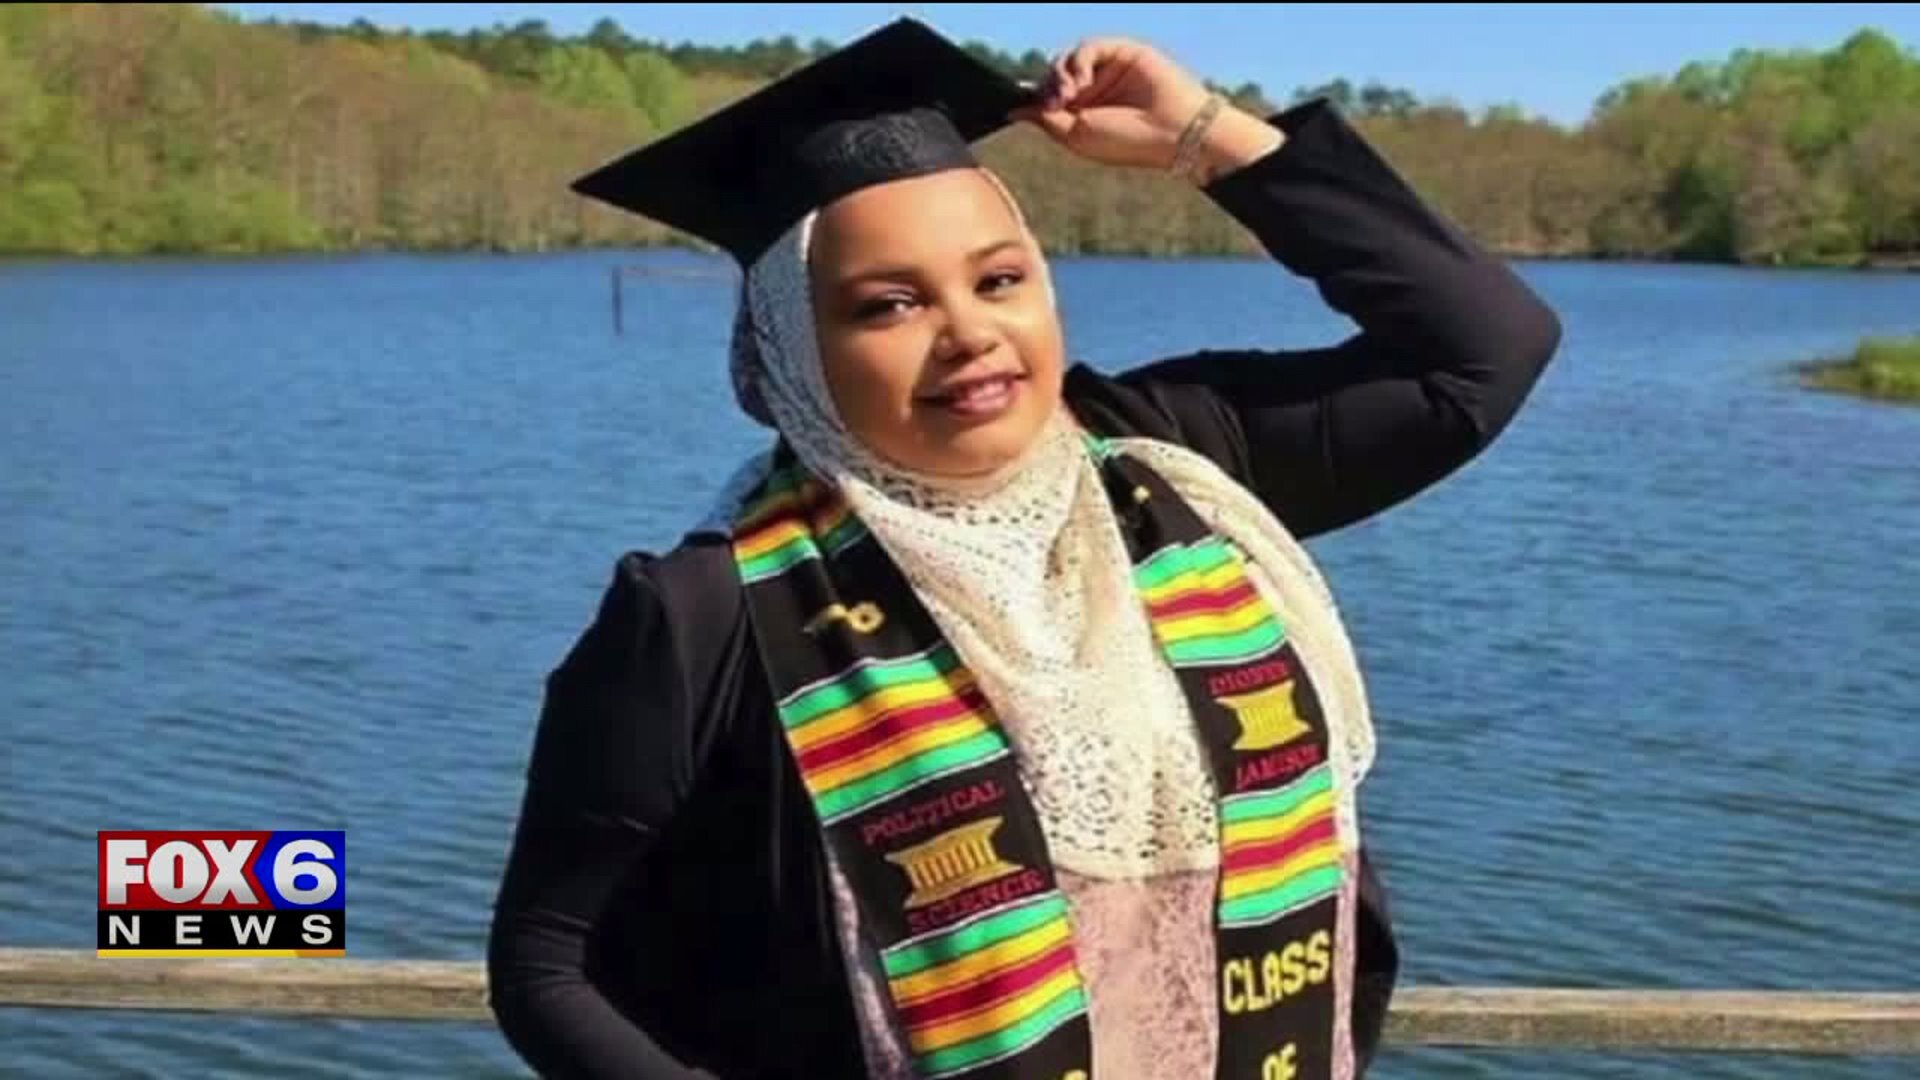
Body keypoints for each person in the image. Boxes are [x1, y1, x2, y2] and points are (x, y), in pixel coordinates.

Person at [487, 18, 1559, 1080]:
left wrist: (1206, 136)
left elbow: (1482, 352)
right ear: (794, 347)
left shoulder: (1176, 460)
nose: (969, 334)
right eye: (889, 304)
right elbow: (547, 963)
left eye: (999, 280)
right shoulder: (706, 616)